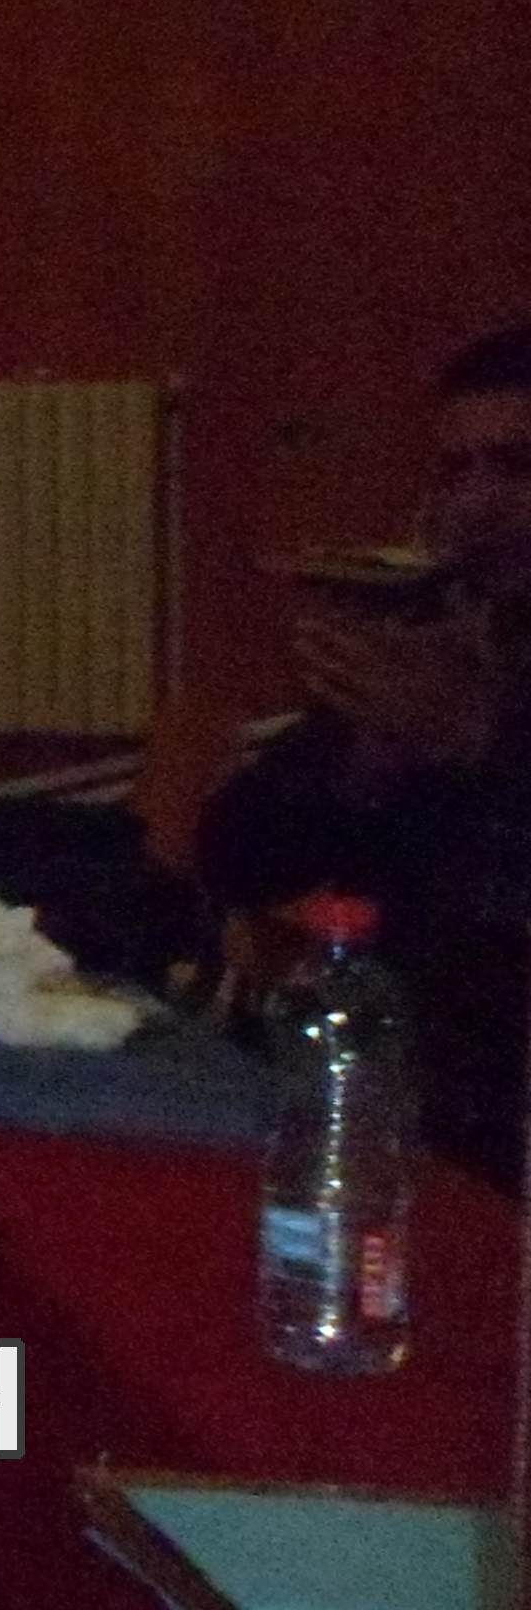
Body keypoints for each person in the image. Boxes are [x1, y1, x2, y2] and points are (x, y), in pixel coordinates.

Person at [198, 324, 531, 1190]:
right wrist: (364, 764)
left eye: (516, 467)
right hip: (404, 1092)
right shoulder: (447, 636)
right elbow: (237, 854)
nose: (479, 504)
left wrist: (474, 741)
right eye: (455, 472)